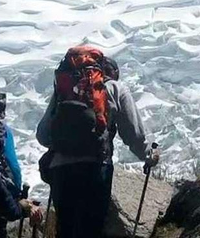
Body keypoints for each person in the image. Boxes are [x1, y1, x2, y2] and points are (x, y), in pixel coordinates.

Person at [37, 46, 159, 238]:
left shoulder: (64, 92)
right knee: (91, 229)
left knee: (66, 229)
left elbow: (43, 135)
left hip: (61, 171)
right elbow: (132, 133)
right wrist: (148, 154)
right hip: (96, 168)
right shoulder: (114, 89)